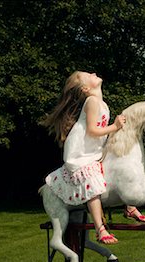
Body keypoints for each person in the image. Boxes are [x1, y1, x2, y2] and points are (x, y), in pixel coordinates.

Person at [41, 71, 123, 244]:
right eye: (89, 75)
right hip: (80, 152)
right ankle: (100, 228)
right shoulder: (92, 101)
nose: (94, 73)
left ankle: (130, 206)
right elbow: (92, 131)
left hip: (92, 149)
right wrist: (114, 127)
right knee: (92, 182)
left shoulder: (102, 104)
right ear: (86, 88)